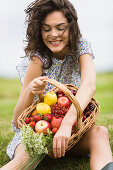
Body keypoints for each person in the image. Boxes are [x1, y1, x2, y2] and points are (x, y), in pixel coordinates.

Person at [1, 0, 113, 170]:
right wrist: (30, 91)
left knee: (100, 133)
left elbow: (89, 85)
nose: (53, 34)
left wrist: (67, 125)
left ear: (71, 27)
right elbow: (17, 121)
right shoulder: (38, 57)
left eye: (60, 28)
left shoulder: (81, 46)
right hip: (38, 132)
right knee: (23, 159)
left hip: (71, 134)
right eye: (46, 29)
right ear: (40, 30)